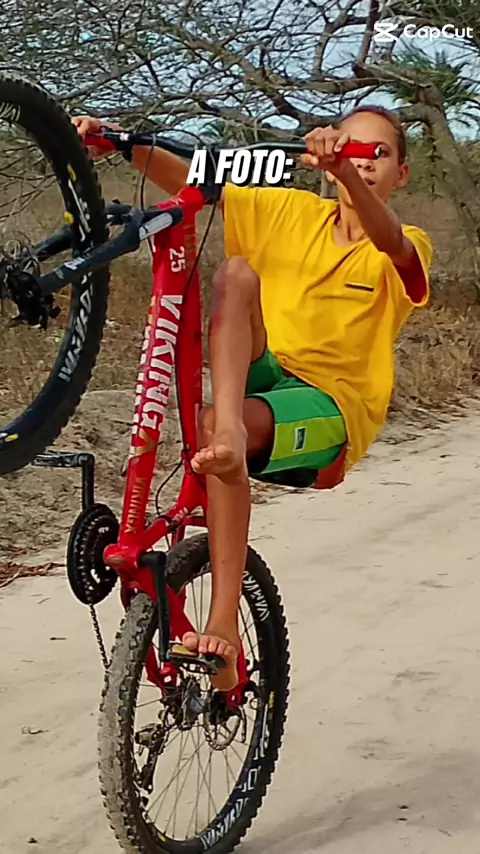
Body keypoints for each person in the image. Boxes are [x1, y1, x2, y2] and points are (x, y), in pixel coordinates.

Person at [73, 107, 433, 691]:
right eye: (349, 147)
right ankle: (229, 434)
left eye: (378, 154)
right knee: (236, 273)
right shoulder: (290, 212)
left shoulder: (407, 241)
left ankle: (224, 627)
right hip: (260, 376)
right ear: (322, 156)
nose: (363, 162)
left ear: (402, 173)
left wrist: (344, 171)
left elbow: (392, 243)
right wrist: (117, 143)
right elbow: (196, 178)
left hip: (330, 407)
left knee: (218, 424)